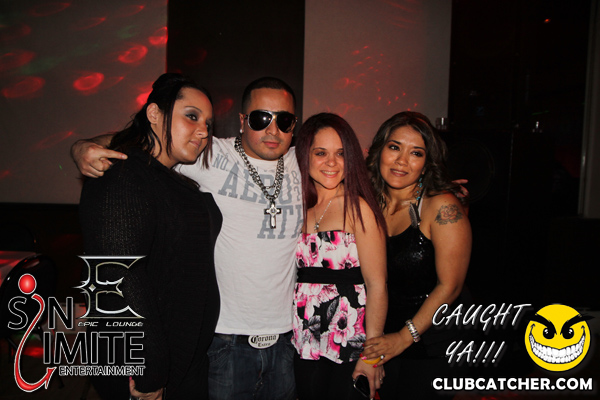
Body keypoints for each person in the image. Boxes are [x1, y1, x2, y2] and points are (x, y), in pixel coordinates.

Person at [72, 77, 302, 400]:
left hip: (285, 341)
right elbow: (138, 144)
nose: (273, 129)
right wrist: (83, 147)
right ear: (242, 120)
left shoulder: (306, 161)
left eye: (285, 120)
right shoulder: (209, 154)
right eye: (261, 118)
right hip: (223, 344)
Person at [78, 73, 222, 399]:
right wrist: (150, 372)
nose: (203, 131)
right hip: (144, 368)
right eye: (191, 116)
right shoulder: (123, 176)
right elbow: (118, 275)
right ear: (154, 114)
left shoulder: (163, 177)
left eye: (208, 123)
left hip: (182, 360)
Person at [361, 111, 472, 399]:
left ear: (426, 164)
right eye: (394, 147)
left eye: (416, 153)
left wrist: (403, 337)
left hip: (434, 345)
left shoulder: (442, 206)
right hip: (385, 341)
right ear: (379, 151)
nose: (401, 160)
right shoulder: (367, 203)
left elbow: (451, 286)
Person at [292, 113, 387, 399]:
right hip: (303, 338)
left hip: (348, 339)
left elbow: (378, 285)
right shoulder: (297, 206)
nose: (332, 162)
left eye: (341, 153)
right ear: (305, 155)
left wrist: (372, 356)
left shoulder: (359, 209)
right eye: (321, 153)